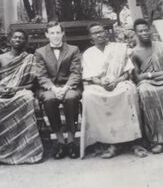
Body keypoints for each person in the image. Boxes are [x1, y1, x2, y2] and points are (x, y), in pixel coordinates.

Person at [0, 29, 43, 169]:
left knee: (26, 99)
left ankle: (24, 149)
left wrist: (16, 89)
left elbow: (32, 84)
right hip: (0, 91)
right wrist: (0, 90)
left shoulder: (29, 59)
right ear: (10, 40)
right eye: (15, 37)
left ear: (25, 42)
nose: (18, 40)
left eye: (21, 38)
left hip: (21, 91)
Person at [80, 22, 146, 159]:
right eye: (95, 33)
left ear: (106, 33)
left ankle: (134, 141)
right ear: (90, 37)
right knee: (88, 95)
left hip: (120, 81)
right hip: (99, 85)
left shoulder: (119, 49)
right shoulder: (88, 53)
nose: (99, 34)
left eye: (101, 31)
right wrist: (102, 83)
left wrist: (116, 81)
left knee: (127, 91)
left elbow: (127, 73)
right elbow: (91, 77)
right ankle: (110, 142)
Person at [35, 21, 82, 159]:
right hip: (50, 87)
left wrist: (66, 87)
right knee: (49, 99)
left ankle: (72, 141)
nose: (55, 36)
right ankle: (61, 141)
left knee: (71, 98)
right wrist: (54, 89)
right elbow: (41, 75)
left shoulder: (73, 49)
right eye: (52, 33)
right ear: (47, 35)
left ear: (62, 33)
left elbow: (76, 73)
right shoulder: (40, 52)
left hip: (70, 85)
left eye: (58, 32)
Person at [132, 18, 163, 154]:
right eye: (141, 31)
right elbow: (138, 77)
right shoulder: (134, 52)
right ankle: (157, 140)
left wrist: (150, 74)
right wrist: (151, 75)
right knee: (145, 91)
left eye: (146, 30)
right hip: (146, 83)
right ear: (136, 33)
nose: (144, 33)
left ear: (150, 30)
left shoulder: (160, 46)